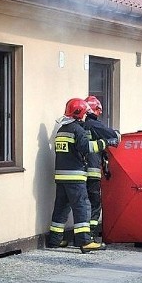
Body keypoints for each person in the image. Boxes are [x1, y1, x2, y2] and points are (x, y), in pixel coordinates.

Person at [47, 98, 112, 253]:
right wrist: (105, 143)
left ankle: (54, 240)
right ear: (79, 113)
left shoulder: (61, 130)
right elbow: (86, 148)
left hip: (61, 176)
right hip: (75, 176)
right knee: (82, 206)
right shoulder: (78, 130)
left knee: (61, 207)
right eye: (84, 113)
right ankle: (84, 241)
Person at [83, 95, 120, 239]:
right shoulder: (94, 125)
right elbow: (115, 136)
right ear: (95, 110)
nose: (100, 113)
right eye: (99, 110)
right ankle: (90, 235)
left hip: (78, 172)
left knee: (80, 204)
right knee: (94, 204)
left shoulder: (77, 126)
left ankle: (81, 234)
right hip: (92, 172)